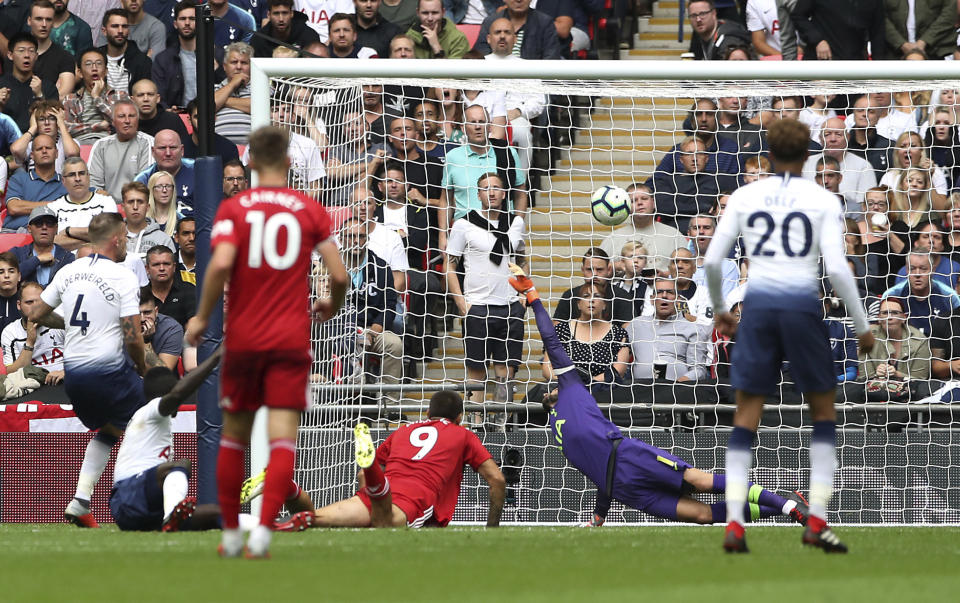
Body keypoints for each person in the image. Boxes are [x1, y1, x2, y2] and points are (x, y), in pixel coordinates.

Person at [507, 264, 808, 529]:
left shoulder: (573, 386)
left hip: (630, 458)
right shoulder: (554, 424)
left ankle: (787, 506)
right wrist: (600, 513)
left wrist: (533, 297)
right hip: (623, 489)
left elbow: (550, 337)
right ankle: (788, 506)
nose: (550, 391)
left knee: (699, 481)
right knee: (703, 515)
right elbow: (598, 469)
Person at [703, 118, 874, 553]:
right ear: (808, 154)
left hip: (758, 304)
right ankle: (815, 520)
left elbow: (711, 260)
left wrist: (722, 310)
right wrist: (861, 324)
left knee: (746, 416)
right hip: (801, 303)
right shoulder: (821, 198)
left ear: (769, 152)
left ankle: (735, 524)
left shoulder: (745, 195)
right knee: (822, 412)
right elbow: (836, 269)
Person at [184, 125, 348, 558]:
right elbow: (340, 275)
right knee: (281, 441)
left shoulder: (234, 209)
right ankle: (262, 536)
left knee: (234, 437)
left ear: (250, 161)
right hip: (290, 340)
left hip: (244, 339)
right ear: (291, 162)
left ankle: (232, 536)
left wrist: (202, 316)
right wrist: (331, 303)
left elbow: (220, 264)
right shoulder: (309, 209)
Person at [27, 212, 147, 528]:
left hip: (75, 377)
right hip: (108, 372)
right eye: (125, 237)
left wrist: (80, 321)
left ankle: (81, 500)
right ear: (117, 238)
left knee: (109, 430)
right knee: (157, 408)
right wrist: (144, 368)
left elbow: (37, 312)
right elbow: (134, 338)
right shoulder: (123, 276)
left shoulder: (70, 270)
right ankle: (149, 500)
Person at [300, 391, 504, 528]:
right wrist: (492, 527)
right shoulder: (462, 434)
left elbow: (361, 475)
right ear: (459, 418)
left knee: (313, 519)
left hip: (381, 489)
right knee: (387, 524)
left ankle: (289, 488)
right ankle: (377, 497)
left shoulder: (403, 430)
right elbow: (497, 480)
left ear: (427, 412)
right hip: (415, 496)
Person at [108, 347, 223, 532]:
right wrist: (215, 357)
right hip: (128, 496)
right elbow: (178, 394)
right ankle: (173, 517)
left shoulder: (155, 421)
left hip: (145, 508)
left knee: (215, 514)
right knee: (181, 465)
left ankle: (267, 526)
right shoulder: (152, 409)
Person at [444, 172, 526, 412]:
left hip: (510, 305)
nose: (491, 192)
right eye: (485, 188)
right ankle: (475, 423)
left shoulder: (515, 223)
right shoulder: (464, 224)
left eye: (496, 187)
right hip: (478, 306)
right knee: (477, 370)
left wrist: (522, 293)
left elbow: (521, 257)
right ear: (478, 193)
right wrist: (461, 302)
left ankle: (501, 421)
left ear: (504, 193)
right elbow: (450, 264)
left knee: (506, 369)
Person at [340, 218, 403, 409]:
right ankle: (341, 405)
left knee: (394, 345)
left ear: (367, 238)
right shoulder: (330, 264)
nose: (355, 241)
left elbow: (390, 303)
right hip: (340, 329)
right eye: (350, 236)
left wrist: (374, 329)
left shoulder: (380, 265)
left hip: (373, 328)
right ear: (341, 239)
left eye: (360, 236)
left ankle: (389, 406)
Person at [542, 282, 630, 395]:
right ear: (578, 304)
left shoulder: (618, 334)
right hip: (563, 389)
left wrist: (589, 384)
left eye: (597, 296)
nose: (591, 300)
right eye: (586, 296)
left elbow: (619, 370)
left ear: (604, 304)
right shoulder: (560, 330)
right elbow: (546, 367)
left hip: (603, 392)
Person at [442, 104, 527, 220]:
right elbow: (446, 200)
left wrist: (517, 226)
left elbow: (520, 195)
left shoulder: (507, 153)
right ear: (463, 128)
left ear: (490, 126)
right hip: (466, 231)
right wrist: (443, 235)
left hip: (502, 230)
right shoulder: (452, 157)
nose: (478, 126)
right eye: (472, 122)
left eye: (482, 122)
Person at [626, 276, 713, 382]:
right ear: (652, 299)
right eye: (659, 292)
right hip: (640, 391)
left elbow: (699, 370)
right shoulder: (636, 324)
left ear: (678, 300)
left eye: (670, 292)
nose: (664, 296)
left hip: (675, 391)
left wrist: (679, 383)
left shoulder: (693, 329)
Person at [600, 183, 685, 272]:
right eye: (633, 200)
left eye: (644, 199)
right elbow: (597, 270)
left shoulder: (673, 235)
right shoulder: (614, 238)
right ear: (626, 206)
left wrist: (665, 275)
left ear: (653, 203)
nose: (640, 203)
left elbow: (689, 269)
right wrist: (617, 266)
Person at [880, 248, 960, 336]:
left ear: (933, 270)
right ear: (906, 270)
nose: (917, 274)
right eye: (912, 269)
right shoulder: (892, 295)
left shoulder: (949, 296)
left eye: (923, 269)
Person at [87, 98, 154, 203]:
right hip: (107, 207)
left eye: (131, 116)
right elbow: (92, 184)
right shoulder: (101, 145)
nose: (127, 121)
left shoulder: (148, 142)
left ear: (138, 119)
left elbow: (145, 183)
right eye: (121, 116)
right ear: (113, 121)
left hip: (138, 205)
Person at [47, 156, 119, 252]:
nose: (77, 179)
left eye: (81, 173)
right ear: (63, 181)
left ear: (89, 176)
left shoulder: (106, 202)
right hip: (66, 264)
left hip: (100, 260)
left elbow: (109, 234)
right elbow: (52, 242)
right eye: (72, 175)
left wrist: (69, 231)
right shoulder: (54, 208)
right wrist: (94, 241)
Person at [62, 48, 129, 144]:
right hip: (81, 144)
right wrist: (97, 126)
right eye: (88, 64)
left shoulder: (120, 96)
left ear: (106, 71)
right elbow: (66, 128)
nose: (94, 68)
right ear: (80, 72)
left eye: (99, 63)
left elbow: (123, 122)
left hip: (112, 143)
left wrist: (96, 98)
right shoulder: (71, 99)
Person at [1, 280, 64, 383]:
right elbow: (12, 373)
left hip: (64, 379)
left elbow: (85, 358)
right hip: (33, 383)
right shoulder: (10, 332)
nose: (35, 307)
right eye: (29, 302)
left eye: (39, 301)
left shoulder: (60, 322)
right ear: (19, 305)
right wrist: (30, 342)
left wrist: (65, 372)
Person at [860, 297, 932, 385]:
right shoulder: (868, 337)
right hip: (874, 392)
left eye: (895, 313)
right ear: (878, 318)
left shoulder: (919, 340)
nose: (889, 317)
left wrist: (896, 374)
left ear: (903, 318)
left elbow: (920, 380)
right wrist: (877, 375)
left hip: (911, 393)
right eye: (885, 313)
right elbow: (863, 378)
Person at [553, 247, 634, 325]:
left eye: (599, 269)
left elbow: (631, 332)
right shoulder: (570, 296)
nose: (594, 274)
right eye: (589, 269)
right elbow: (556, 331)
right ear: (583, 270)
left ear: (609, 270)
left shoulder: (622, 297)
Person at [3, 133, 67, 231]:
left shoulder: (67, 182)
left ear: (57, 153)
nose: (44, 151)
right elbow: (14, 207)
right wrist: (56, 205)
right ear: (32, 155)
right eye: (39, 149)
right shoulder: (18, 179)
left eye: (48, 148)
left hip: (54, 235)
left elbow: (90, 194)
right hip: (15, 232)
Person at [0, 32, 59, 131]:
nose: (27, 55)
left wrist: (40, 96)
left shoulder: (48, 86)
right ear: (10, 55)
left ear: (36, 56)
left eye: (31, 51)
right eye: (21, 51)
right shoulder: (1, 84)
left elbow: (52, 123)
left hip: (39, 142)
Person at [791, 0, 885, 60]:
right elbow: (798, 15)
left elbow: (877, 33)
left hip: (855, 64)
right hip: (821, 61)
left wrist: (880, 75)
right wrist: (818, 40)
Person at [472, 0, 563, 60]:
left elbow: (551, 58)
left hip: (532, 80)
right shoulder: (490, 22)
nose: (519, 0)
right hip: (494, 79)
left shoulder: (544, 23)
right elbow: (481, 56)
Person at [135, 130, 195, 215]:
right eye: (162, 148)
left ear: (182, 150)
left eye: (173, 147)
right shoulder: (143, 180)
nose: (168, 153)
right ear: (153, 152)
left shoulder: (198, 172)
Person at [151, 1, 197, 112]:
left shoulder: (214, 55)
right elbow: (158, 95)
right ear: (175, 24)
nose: (187, 23)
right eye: (182, 19)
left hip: (209, 115)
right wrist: (167, 111)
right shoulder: (163, 59)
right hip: (176, 116)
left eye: (192, 19)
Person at [24, 1, 77, 98]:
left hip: (50, 112)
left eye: (48, 20)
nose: (44, 24)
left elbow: (63, 95)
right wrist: (51, 94)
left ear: (53, 23)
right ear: (29, 21)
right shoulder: (17, 54)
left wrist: (41, 95)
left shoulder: (65, 57)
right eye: (39, 19)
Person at [11, 206, 74, 285]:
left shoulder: (67, 258)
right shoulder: (17, 254)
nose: (44, 227)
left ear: (56, 229)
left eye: (49, 224)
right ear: (29, 228)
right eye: (38, 223)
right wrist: (37, 260)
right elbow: (7, 277)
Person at [97, 8, 153, 95]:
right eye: (115, 26)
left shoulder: (142, 62)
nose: (120, 31)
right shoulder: (96, 58)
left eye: (124, 26)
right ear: (104, 31)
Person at [122, 181, 174, 262]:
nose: (135, 207)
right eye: (131, 202)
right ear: (123, 207)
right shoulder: (113, 238)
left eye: (140, 202)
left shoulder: (163, 240)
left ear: (148, 207)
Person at [884, 0, 956, 60]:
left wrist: (924, 41)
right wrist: (901, 44)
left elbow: (948, 15)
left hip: (936, 51)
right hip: (892, 52)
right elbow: (880, 16)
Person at [145, 245, 194, 327]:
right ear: (147, 269)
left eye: (166, 264)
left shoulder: (189, 290)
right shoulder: (140, 296)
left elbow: (194, 324)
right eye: (156, 264)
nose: (161, 268)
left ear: (174, 267)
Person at [252, 0, 321, 58]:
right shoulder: (259, 40)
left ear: (291, 13)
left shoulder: (309, 36)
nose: (281, 19)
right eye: (276, 13)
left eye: (285, 13)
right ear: (268, 15)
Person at [214, 42, 252, 145]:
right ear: (225, 66)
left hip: (254, 150)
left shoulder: (261, 88)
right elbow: (207, 108)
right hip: (219, 148)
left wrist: (223, 101)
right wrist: (233, 84)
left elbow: (259, 107)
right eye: (234, 62)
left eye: (244, 63)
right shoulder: (213, 89)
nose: (239, 67)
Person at [686, 0, 751, 60]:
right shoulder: (698, 36)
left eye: (703, 14)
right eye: (693, 16)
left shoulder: (730, 41)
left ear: (714, 13)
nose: (698, 19)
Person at [138, 286, 182, 371]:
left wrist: (146, 342)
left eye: (147, 313)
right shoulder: (120, 325)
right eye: (137, 314)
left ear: (156, 311)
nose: (142, 319)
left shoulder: (171, 329)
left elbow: (162, 375)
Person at [147, 171, 178, 237]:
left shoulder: (180, 220)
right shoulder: (144, 220)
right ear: (151, 190)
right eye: (159, 186)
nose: (164, 190)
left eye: (168, 186)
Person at [0, 252, 21, 332]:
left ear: (19, 276)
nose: (6, 276)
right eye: (1, 272)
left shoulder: (27, 302)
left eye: (11, 271)